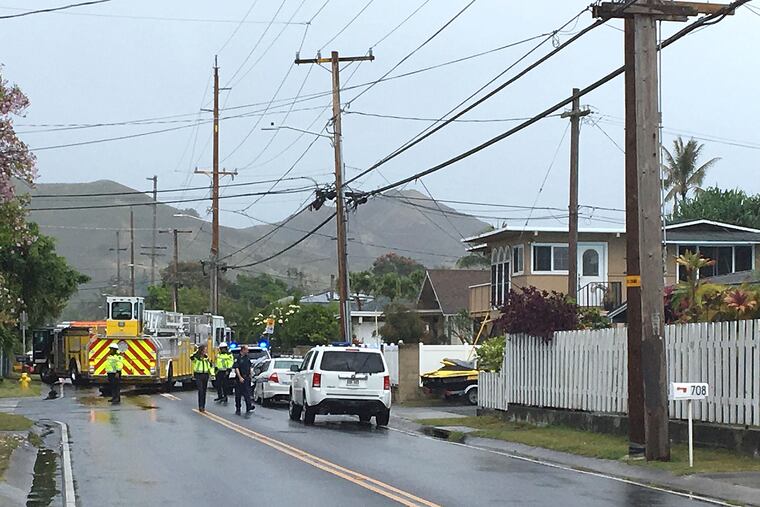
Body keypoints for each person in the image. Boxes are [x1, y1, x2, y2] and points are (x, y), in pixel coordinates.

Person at [191, 344, 214, 413]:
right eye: (204, 350)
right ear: (201, 350)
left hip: (205, 375)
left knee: (204, 391)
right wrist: (196, 351)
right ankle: (200, 406)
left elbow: (210, 367)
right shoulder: (196, 357)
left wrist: (212, 374)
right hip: (198, 375)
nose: (205, 351)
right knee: (200, 390)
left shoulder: (206, 358)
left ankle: (203, 406)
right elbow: (191, 357)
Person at [233, 344, 255, 418]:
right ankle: (238, 408)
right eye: (247, 349)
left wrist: (251, 376)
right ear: (243, 350)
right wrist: (240, 377)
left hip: (247, 378)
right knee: (238, 394)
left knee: (247, 393)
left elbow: (250, 368)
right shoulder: (238, 358)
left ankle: (249, 407)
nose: (248, 351)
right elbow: (236, 368)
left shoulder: (247, 358)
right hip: (240, 379)